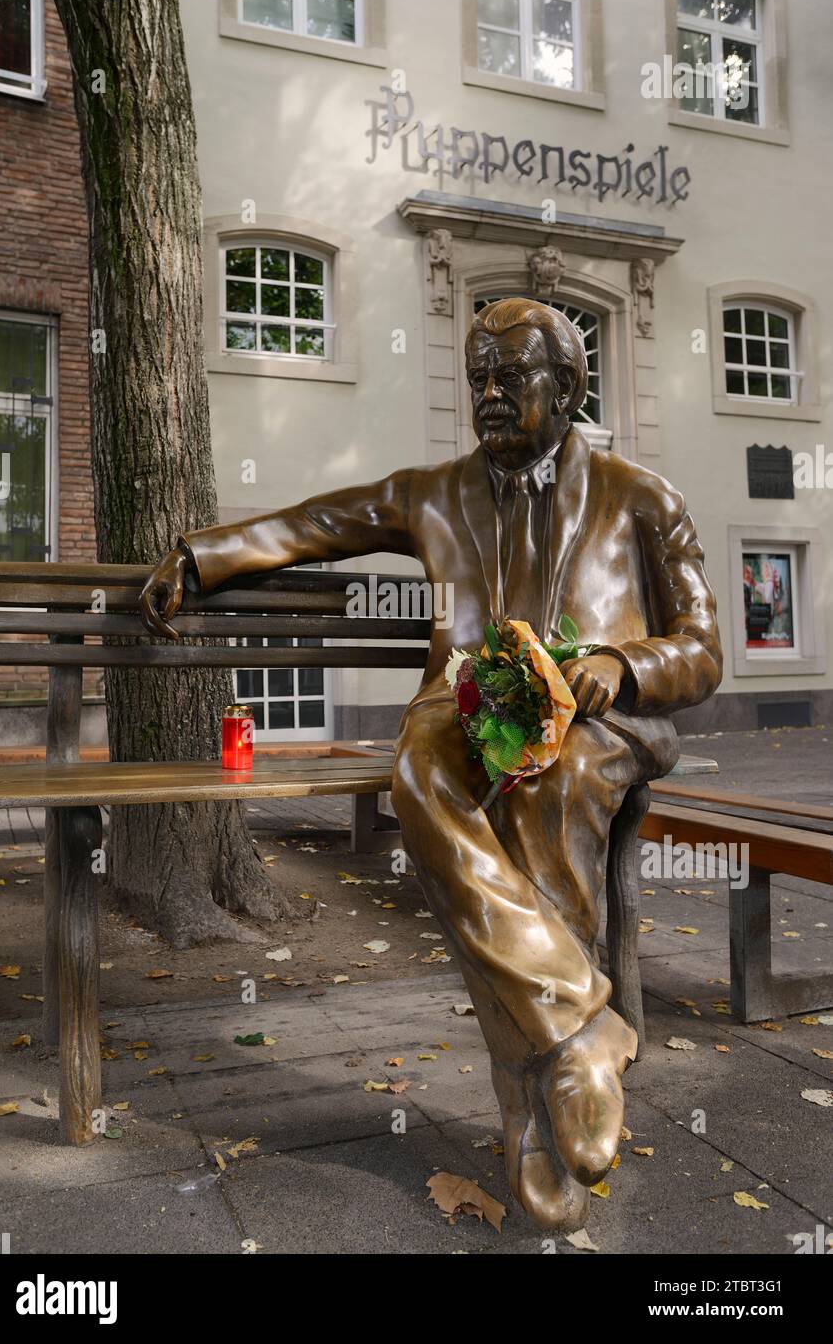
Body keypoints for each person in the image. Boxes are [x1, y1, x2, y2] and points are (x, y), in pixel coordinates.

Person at [140, 298, 722, 1228]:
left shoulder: (642, 499)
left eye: (510, 378)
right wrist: (202, 556)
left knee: (552, 784)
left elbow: (701, 648)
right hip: (467, 705)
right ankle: (575, 1032)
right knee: (418, 764)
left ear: (568, 387)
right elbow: (317, 523)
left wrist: (622, 663)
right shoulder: (433, 492)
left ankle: (532, 1103)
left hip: (598, 725)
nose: (487, 396)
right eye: (476, 379)